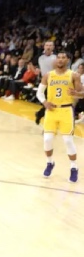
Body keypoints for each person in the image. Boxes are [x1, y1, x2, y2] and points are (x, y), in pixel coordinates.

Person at [37, 51, 83, 183]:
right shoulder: (48, 75)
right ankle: (50, 162)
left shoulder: (74, 75)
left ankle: (74, 167)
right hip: (51, 111)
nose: (60, 60)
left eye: (64, 58)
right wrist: (45, 102)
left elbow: (81, 94)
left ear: (68, 60)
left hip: (66, 110)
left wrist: (77, 94)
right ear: (55, 60)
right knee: (47, 139)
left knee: (68, 141)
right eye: (59, 57)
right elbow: (40, 93)